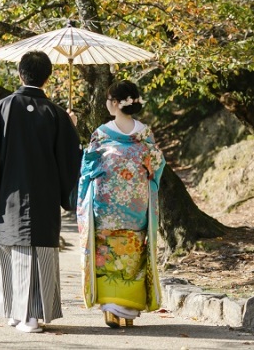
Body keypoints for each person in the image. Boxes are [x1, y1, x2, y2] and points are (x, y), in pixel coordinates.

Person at [0, 50, 81, 333]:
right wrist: (70, 127)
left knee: (12, 248)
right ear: (47, 77)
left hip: (8, 197)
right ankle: (25, 314)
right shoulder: (56, 113)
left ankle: (21, 315)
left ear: (20, 73)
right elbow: (70, 159)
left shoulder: (3, 107)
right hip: (44, 196)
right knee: (36, 250)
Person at [76, 80, 165, 328]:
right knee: (132, 256)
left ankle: (111, 310)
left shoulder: (102, 133)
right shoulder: (145, 133)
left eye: (108, 100)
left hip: (106, 207)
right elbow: (156, 167)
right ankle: (128, 312)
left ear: (115, 103)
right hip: (137, 206)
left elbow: (88, 169)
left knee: (106, 255)